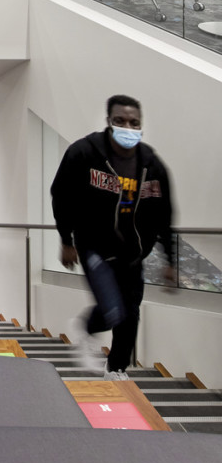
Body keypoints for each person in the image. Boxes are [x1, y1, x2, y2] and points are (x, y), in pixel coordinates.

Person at [51, 93, 176, 379]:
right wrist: (66, 240)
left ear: (141, 125)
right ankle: (85, 328)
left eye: (134, 122)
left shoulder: (152, 165)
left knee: (130, 315)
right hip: (93, 245)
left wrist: (170, 258)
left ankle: (116, 370)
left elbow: (165, 214)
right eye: (120, 121)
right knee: (112, 309)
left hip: (133, 253)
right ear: (109, 122)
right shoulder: (84, 152)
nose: (128, 128)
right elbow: (61, 195)